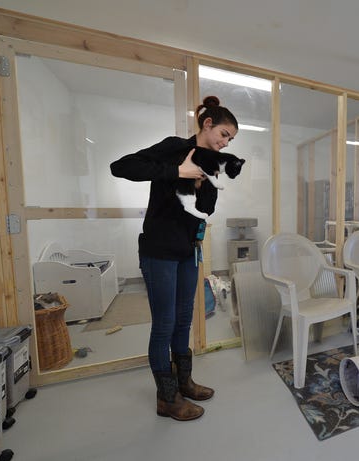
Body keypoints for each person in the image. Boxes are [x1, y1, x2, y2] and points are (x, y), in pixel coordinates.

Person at [110, 96, 238, 421]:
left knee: (184, 320)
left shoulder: (212, 164)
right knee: (164, 324)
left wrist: (203, 184)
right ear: (208, 124)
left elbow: (206, 210)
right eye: (224, 134)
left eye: (230, 140)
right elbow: (121, 167)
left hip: (187, 251)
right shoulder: (173, 147)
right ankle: (167, 399)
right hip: (158, 250)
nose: (225, 143)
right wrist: (176, 170)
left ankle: (185, 383)